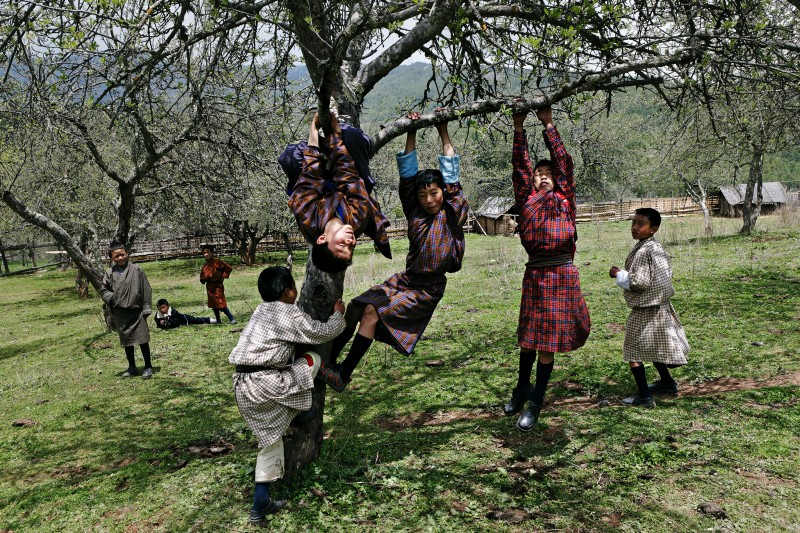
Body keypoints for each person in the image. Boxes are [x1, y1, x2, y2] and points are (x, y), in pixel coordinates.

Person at [320, 111, 469, 392]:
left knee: (372, 313)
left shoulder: (451, 212)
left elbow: (451, 169)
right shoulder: (414, 210)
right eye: (423, 195)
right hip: (406, 280)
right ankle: (327, 360)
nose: (428, 199)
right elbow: (408, 174)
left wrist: (443, 130)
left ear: (444, 193)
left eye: (434, 193)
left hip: (427, 289)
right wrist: (411, 130)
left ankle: (343, 374)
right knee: (356, 306)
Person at [229, 266, 346, 524]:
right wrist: (338, 315)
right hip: (266, 385)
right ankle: (309, 402)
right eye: (294, 286)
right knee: (312, 359)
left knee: (270, 442)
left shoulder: (261, 311)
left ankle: (261, 503)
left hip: (242, 386)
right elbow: (322, 332)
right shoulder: (288, 313)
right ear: (286, 291)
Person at [504, 106, 591, 432]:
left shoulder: (565, 198)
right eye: (538, 173)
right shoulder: (526, 199)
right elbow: (519, 164)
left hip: (562, 275)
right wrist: (518, 126)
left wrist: (548, 123)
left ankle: (535, 403)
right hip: (537, 276)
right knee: (529, 340)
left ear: (557, 179)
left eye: (548, 173)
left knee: (547, 345)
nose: (542, 175)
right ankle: (520, 388)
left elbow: (564, 162)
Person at [287, 112, 391, 273]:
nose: (350, 241)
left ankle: (327, 145)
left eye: (342, 244)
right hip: (349, 181)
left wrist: (314, 128)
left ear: (322, 239)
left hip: (315, 180)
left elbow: (311, 173)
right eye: (351, 247)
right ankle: (362, 144)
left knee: (290, 156)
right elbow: (348, 176)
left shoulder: (307, 216)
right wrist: (336, 133)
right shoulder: (358, 219)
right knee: (351, 136)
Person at [610, 208, 690, 407]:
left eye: (640, 224)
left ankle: (645, 397)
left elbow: (640, 282)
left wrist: (618, 274)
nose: (635, 228)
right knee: (655, 346)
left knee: (632, 351)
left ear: (653, 229)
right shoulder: (655, 247)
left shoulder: (645, 250)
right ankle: (667, 383)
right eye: (633, 223)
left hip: (647, 308)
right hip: (660, 306)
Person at [100, 241, 154, 379]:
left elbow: (146, 288)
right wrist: (111, 298)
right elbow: (103, 290)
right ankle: (132, 367)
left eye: (122, 255)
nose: (120, 258)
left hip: (136, 312)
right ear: (112, 258)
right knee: (127, 342)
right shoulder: (109, 273)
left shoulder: (137, 270)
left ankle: (148, 366)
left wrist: (147, 306)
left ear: (127, 254)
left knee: (143, 340)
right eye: (116, 257)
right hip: (120, 313)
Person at [200, 244, 236, 324]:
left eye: (207, 252)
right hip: (209, 287)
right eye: (204, 253)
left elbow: (228, 268)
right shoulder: (205, 266)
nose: (206, 254)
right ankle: (218, 320)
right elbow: (202, 279)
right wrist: (204, 279)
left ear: (212, 253)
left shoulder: (218, 262)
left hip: (218, 286)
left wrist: (223, 277)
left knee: (221, 302)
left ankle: (231, 318)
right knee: (213, 304)